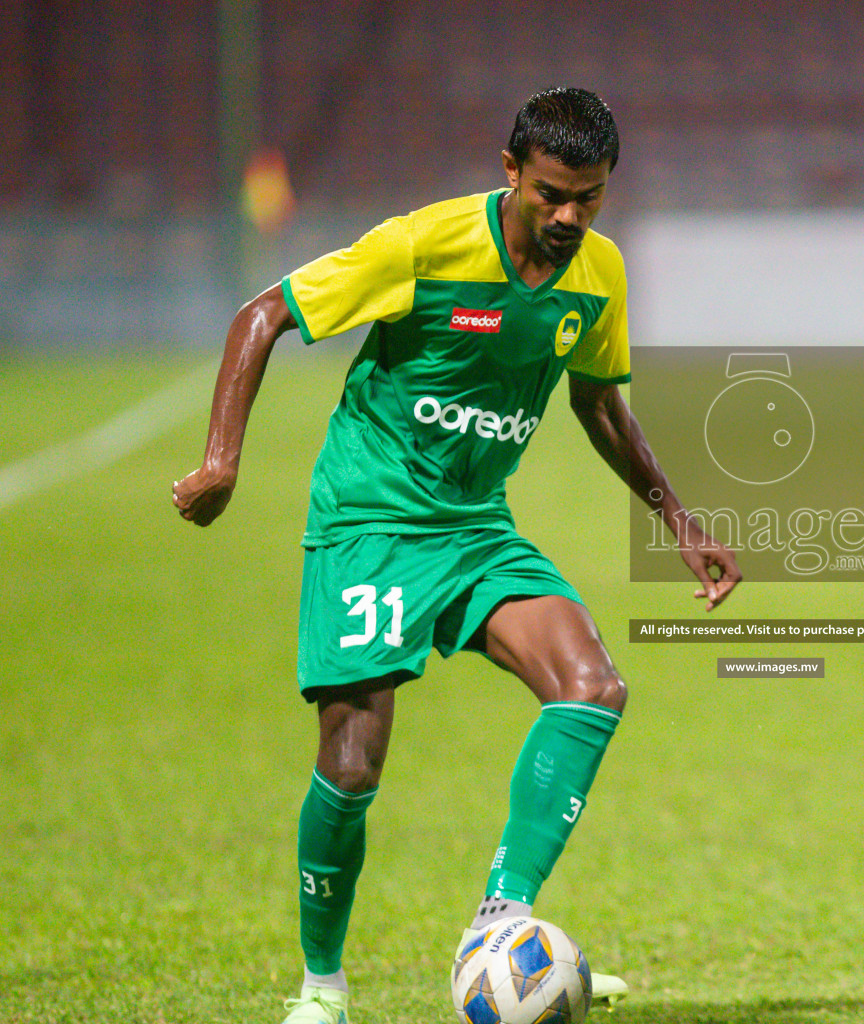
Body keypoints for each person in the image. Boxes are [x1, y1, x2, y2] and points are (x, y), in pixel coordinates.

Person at [173, 87, 742, 1024]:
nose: (568, 217)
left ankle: (501, 933)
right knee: (353, 763)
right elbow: (260, 314)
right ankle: (322, 989)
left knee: (591, 686)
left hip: (476, 524)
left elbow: (598, 402)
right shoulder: (421, 245)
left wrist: (675, 519)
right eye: (553, 193)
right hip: (371, 520)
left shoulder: (599, 274)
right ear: (511, 169)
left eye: (589, 198)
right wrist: (221, 461)